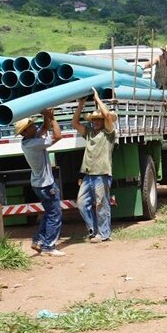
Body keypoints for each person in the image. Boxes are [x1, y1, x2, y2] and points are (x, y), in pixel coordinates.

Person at [15, 109, 64, 256]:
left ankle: (38, 240)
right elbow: (58, 136)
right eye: (30, 126)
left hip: (38, 184)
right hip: (46, 185)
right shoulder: (33, 144)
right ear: (24, 132)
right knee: (55, 214)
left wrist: (45, 116)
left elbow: (44, 128)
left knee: (49, 213)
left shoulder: (28, 141)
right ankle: (49, 246)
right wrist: (53, 117)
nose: (34, 127)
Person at [72, 87, 117, 243]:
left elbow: (107, 115)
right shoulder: (89, 133)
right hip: (88, 174)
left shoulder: (109, 132)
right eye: (94, 120)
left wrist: (97, 99)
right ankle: (93, 230)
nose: (97, 122)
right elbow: (75, 122)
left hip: (102, 174)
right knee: (81, 203)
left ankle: (104, 234)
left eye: (99, 119)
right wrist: (81, 105)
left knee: (101, 204)